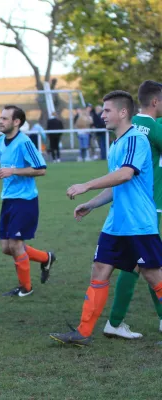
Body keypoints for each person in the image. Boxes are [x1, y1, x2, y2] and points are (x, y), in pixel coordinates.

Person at [50, 90, 162, 346]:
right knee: (99, 270)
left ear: (123, 112)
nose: (101, 115)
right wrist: (91, 204)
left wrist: (86, 185)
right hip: (116, 223)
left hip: (138, 224)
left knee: (154, 276)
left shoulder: (135, 139)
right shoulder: (115, 144)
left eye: (107, 110)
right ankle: (83, 332)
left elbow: (125, 174)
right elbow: (116, 186)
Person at [103, 81, 162, 339]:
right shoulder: (150, 127)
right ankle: (116, 321)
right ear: (155, 101)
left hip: (131, 206)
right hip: (152, 205)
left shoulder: (129, 130)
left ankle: (115, 322)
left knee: (136, 264)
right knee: (149, 265)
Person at [0, 106, 55, 297]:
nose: (0, 121)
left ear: (16, 122)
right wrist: (1, 173)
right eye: (0, 117)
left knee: (16, 245)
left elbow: (41, 168)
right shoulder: (0, 142)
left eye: (4, 118)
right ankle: (46, 258)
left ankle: (25, 288)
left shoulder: (24, 142)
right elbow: (8, 167)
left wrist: (13, 171)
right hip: (8, 199)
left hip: (25, 200)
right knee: (7, 247)